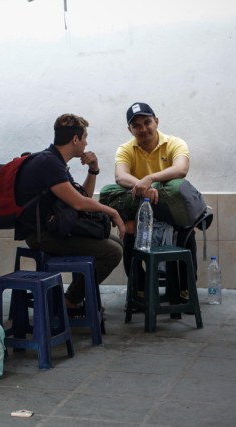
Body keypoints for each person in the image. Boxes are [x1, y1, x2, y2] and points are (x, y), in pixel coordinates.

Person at [14, 114, 125, 309]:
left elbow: (83, 198)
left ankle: (74, 296)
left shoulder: (55, 162)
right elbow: (79, 204)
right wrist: (113, 212)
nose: (86, 143)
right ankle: (70, 300)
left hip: (53, 229)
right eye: (85, 137)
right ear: (75, 139)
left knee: (111, 240)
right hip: (41, 236)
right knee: (112, 252)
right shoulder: (49, 163)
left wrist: (93, 170)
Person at [114, 102, 196, 296]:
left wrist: (150, 179)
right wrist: (143, 188)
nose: (143, 129)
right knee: (129, 230)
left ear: (156, 121)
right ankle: (139, 288)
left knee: (186, 231)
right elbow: (120, 176)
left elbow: (181, 169)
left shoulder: (175, 143)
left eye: (147, 122)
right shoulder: (125, 149)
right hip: (142, 208)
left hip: (169, 208)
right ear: (130, 129)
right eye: (136, 125)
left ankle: (185, 288)